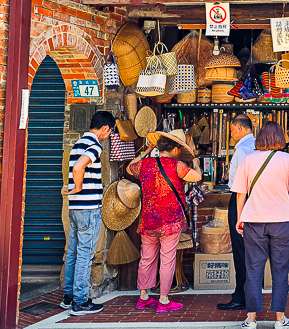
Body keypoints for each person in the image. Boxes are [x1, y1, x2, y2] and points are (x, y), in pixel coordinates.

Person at [232, 121, 289, 329]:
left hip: (253, 221)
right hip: (282, 221)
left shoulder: (248, 160)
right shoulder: (288, 160)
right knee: (280, 271)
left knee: (253, 270)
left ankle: (251, 321)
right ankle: (280, 320)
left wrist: (240, 217)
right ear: (280, 138)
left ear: (260, 138)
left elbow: (240, 193)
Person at [127, 129, 203, 313]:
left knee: (147, 258)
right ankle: (164, 300)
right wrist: (195, 163)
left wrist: (146, 151)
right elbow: (198, 176)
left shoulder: (144, 164)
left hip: (148, 221)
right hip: (170, 222)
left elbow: (130, 166)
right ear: (176, 149)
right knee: (167, 259)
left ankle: (144, 297)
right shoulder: (178, 166)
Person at [63, 110, 116, 315]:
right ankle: (80, 301)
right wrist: (77, 186)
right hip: (88, 208)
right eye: (109, 132)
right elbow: (79, 167)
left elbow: (76, 165)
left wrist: (75, 191)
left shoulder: (77, 144)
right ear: (104, 128)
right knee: (85, 255)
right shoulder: (94, 146)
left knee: (73, 253)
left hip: (75, 208)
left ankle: (69, 297)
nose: (108, 135)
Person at [219, 115, 258, 311]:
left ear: (239, 128)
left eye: (232, 130)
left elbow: (243, 183)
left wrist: (240, 213)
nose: (231, 135)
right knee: (250, 250)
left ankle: (241, 296)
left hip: (241, 199)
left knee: (241, 249)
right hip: (254, 200)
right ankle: (248, 293)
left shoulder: (243, 150)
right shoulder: (256, 146)